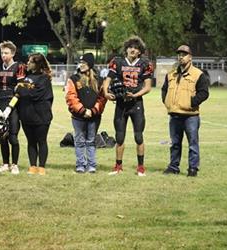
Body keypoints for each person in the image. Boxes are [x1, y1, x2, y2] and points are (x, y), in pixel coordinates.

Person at [103, 36, 153, 176]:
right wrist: (106, 93)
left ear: (139, 52)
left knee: (138, 137)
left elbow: (148, 87)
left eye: (136, 48)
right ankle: (118, 166)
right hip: (121, 104)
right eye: (130, 47)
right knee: (119, 138)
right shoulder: (117, 62)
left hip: (136, 104)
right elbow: (107, 80)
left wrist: (135, 95)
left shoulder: (144, 63)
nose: (132, 49)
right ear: (126, 49)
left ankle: (141, 167)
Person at [161, 45, 209, 177]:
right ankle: (173, 167)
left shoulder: (198, 74)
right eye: (179, 54)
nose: (181, 57)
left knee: (193, 144)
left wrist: (191, 103)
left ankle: (193, 168)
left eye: (184, 54)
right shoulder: (171, 74)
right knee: (175, 143)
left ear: (190, 57)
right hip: (174, 114)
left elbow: (204, 93)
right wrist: (167, 102)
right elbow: (164, 89)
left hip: (190, 116)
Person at [65, 53, 107, 173]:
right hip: (78, 117)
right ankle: (80, 165)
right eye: (80, 63)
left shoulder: (99, 80)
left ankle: (92, 165)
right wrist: (83, 111)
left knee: (91, 141)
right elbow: (70, 97)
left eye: (84, 63)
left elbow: (102, 98)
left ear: (90, 65)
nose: (81, 65)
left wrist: (93, 111)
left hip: (94, 117)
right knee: (79, 141)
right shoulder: (73, 79)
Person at [15, 53, 53, 175]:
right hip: (26, 115)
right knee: (30, 142)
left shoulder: (44, 78)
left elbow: (35, 94)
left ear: (37, 64)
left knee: (41, 141)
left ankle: (41, 167)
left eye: (30, 62)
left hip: (41, 116)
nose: (28, 63)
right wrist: (22, 90)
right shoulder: (27, 77)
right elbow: (22, 93)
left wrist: (21, 89)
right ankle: (32, 166)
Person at [0, 41, 25, 174]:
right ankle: (5, 163)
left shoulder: (19, 67)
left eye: (6, 53)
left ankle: (15, 164)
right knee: (1, 136)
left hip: (13, 105)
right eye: (2, 52)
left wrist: (10, 108)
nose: (3, 55)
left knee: (13, 136)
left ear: (13, 53)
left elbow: (20, 89)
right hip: (0, 103)